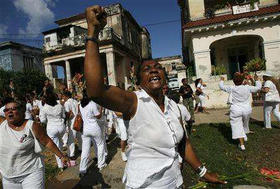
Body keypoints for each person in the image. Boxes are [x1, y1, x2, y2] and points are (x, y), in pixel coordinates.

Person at [84, 5, 225, 188]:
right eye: (146, 69)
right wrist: (93, 33)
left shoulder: (174, 107)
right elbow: (96, 90)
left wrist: (202, 172)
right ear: (139, 80)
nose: (153, 71)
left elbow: (183, 143)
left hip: (175, 182)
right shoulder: (133, 102)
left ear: (164, 75)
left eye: (157, 67)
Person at [0, 98, 69, 189]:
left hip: (31, 172)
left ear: (22, 110)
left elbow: (47, 141)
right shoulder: (2, 124)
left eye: (13, 109)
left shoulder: (32, 126)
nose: (10, 112)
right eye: (7, 110)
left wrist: (61, 156)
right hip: (8, 177)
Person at [219, 73, 261, 151]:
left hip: (236, 110)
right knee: (245, 123)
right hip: (247, 109)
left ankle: (242, 145)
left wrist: (221, 80)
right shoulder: (247, 88)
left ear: (233, 81)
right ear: (242, 81)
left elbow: (221, 87)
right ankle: (244, 136)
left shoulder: (231, 88)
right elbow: (258, 88)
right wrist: (257, 80)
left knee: (237, 126)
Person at [79, 92, 107, 176]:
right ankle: (101, 164)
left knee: (85, 149)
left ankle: (82, 169)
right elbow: (98, 116)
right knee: (100, 144)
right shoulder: (92, 104)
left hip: (85, 129)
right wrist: (101, 108)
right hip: (94, 127)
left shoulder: (80, 105)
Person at [39, 92, 68, 170]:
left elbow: (43, 120)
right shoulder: (59, 106)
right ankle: (63, 158)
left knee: (56, 147)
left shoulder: (44, 108)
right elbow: (63, 116)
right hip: (61, 126)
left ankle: (61, 165)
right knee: (60, 143)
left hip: (51, 128)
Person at [62, 91, 82, 158]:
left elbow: (68, 114)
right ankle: (81, 148)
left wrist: (65, 119)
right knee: (79, 136)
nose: (63, 98)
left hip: (72, 122)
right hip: (78, 121)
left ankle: (71, 154)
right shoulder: (75, 101)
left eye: (63, 96)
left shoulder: (67, 103)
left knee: (71, 138)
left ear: (66, 96)